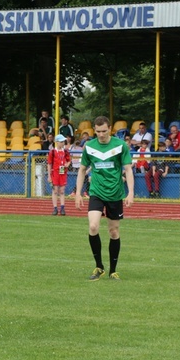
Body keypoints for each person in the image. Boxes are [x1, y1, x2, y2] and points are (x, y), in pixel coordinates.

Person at [75, 116, 134, 281]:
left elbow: (128, 170)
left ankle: (113, 271)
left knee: (113, 231)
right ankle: (99, 266)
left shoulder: (120, 145)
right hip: (96, 192)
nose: (101, 134)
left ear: (110, 129)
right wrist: (78, 193)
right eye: (98, 131)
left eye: (104, 131)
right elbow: (82, 170)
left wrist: (130, 193)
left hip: (115, 193)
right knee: (93, 226)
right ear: (94, 130)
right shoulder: (89, 147)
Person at [47, 134, 71, 215]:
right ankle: (55, 208)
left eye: (63, 141)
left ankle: (62, 208)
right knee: (55, 190)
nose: (63, 143)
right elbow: (49, 164)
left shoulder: (66, 151)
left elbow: (68, 160)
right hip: (55, 173)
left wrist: (67, 164)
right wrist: (49, 176)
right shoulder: (52, 152)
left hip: (63, 172)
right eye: (61, 142)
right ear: (57, 142)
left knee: (62, 190)